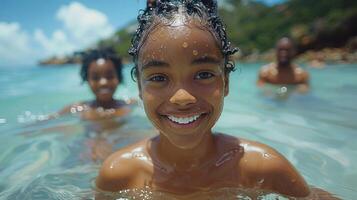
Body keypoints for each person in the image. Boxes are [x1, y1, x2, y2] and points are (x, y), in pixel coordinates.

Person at [96, 0, 335, 198]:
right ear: (139, 86)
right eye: (158, 77)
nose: (182, 98)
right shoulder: (118, 174)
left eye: (203, 74)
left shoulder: (264, 168)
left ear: (226, 82)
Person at [58, 48, 136, 121]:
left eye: (109, 76)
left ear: (118, 77)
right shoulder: (77, 109)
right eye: (95, 78)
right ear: (87, 80)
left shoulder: (130, 104)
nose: (103, 83)